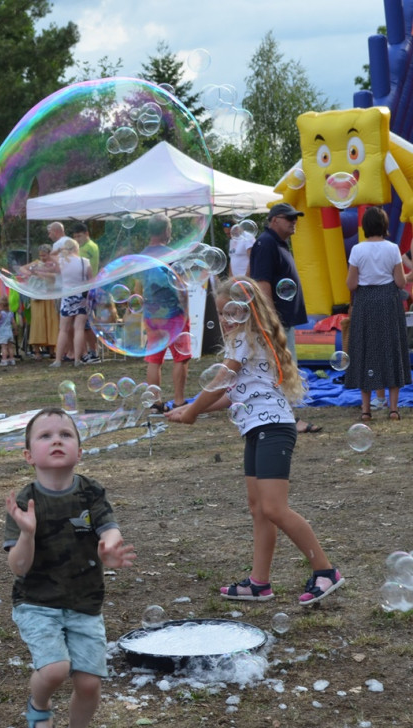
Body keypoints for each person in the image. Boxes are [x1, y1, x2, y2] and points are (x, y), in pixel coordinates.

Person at [167, 276, 344, 606]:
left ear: (248, 312)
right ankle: (259, 583)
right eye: (221, 313)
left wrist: (192, 410)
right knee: (259, 509)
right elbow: (232, 395)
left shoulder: (244, 340)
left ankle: (325, 571)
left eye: (230, 313)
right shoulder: (245, 340)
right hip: (257, 428)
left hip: (273, 428)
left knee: (274, 508)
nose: (224, 320)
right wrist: (188, 411)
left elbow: (220, 383)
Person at [4, 407, 136, 728]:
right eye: (45, 436)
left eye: (65, 435)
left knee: (89, 683)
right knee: (54, 670)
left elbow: (108, 527)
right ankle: (39, 705)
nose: (56, 440)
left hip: (85, 601)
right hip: (37, 601)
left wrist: (109, 545)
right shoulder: (25, 501)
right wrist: (28, 533)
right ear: (28, 455)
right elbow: (18, 566)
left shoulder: (91, 491)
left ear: (80, 451)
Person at [249, 202, 321, 433]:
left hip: (283, 321)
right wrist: (271, 320)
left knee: (285, 368)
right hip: (276, 322)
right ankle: (289, 419)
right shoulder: (266, 243)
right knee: (282, 369)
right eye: (288, 218)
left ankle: (286, 415)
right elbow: (262, 283)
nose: (294, 221)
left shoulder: (277, 243)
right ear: (274, 220)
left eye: (296, 217)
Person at [344, 206, 410, 420]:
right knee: (392, 349)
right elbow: (400, 282)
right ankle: (393, 409)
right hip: (389, 302)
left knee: (365, 350)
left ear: (364, 226)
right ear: (384, 226)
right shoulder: (392, 249)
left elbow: (351, 284)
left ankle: (366, 410)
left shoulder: (357, 250)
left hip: (365, 303)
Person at [140, 214, 189, 411]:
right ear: (166, 231)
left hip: (151, 314)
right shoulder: (171, 254)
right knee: (181, 357)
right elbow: (181, 286)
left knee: (154, 359)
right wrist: (185, 309)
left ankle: (155, 403)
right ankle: (178, 401)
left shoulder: (143, 254)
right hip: (173, 313)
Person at [52, 236, 93, 369]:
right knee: (79, 328)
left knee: (63, 329)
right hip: (81, 297)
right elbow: (91, 281)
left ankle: (58, 360)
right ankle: (77, 359)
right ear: (77, 248)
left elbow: (52, 255)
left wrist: (59, 249)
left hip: (67, 297)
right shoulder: (85, 262)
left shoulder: (61, 261)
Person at [69, 222, 101, 364]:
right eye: (75, 237)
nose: (77, 239)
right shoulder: (81, 249)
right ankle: (88, 352)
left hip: (88, 288)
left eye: (79, 236)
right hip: (81, 288)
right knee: (84, 323)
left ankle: (94, 353)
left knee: (88, 323)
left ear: (86, 234)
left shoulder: (90, 247)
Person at [23, 244, 60, 361]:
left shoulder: (54, 264)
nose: (42, 258)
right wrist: (31, 273)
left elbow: (56, 276)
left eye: (44, 255)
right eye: (40, 255)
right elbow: (22, 269)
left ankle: (52, 350)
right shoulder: (36, 263)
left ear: (49, 254)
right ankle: (36, 351)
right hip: (38, 297)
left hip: (50, 296)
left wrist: (42, 274)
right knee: (38, 322)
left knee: (51, 321)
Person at [0, 296, 17, 366]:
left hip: (3, 334)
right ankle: (12, 359)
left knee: (3, 347)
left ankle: (4, 360)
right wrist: (15, 330)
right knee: (10, 347)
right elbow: (14, 323)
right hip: (9, 333)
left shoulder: (0, 313)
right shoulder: (10, 313)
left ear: (1, 306)